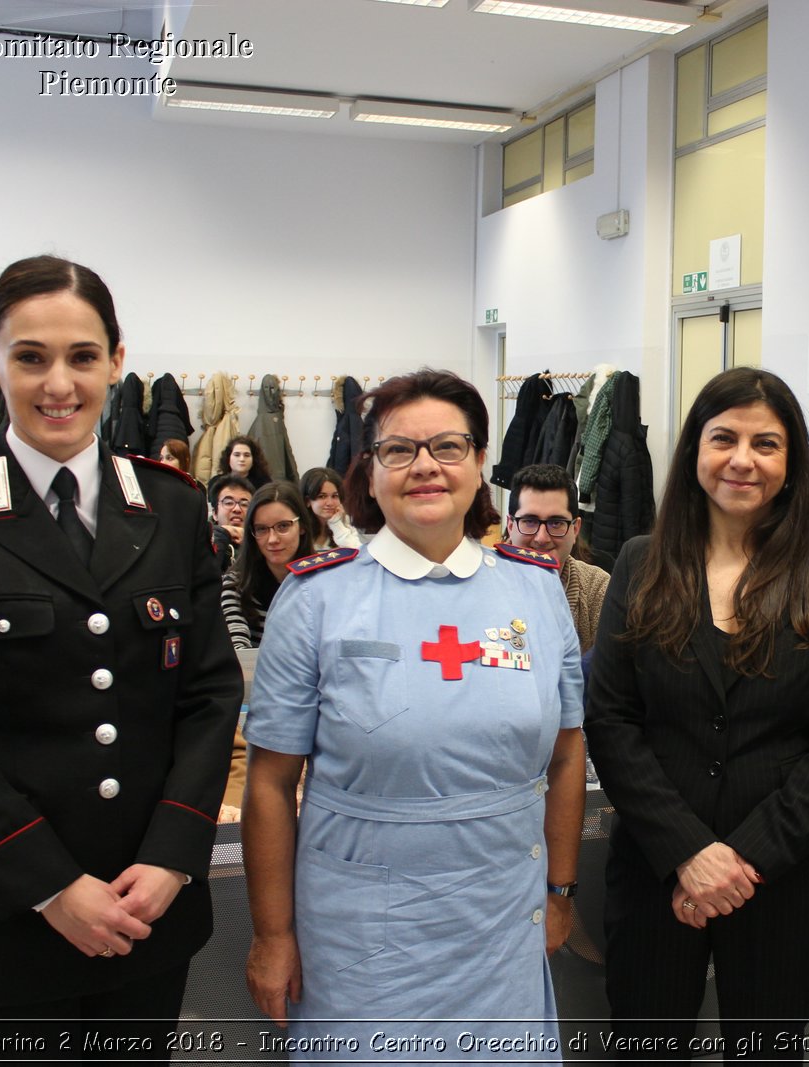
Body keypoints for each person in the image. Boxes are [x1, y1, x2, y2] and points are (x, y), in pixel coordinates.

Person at [0, 255, 243, 1064]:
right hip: (2, 915)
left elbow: (210, 692)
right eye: (29, 356)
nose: (58, 384)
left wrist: (174, 854)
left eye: (81, 356)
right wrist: (47, 883)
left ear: (115, 360)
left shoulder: (172, 506)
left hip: (148, 907)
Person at [242, 369, 584, 1060]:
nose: (426, 464)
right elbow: (270, 783)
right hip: (362, 936)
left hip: (501, 920)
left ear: (481, 464)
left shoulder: (536, 591)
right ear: (369, 474)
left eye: (449, 446)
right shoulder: (315, 600)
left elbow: (568, 750)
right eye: (399, 449)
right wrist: (273, 933)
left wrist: (560, 888)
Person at [584, 367, 809, 1060]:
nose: (742, 459)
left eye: (766, 443)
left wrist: (741, 861)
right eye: (724, 438)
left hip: (779, 880)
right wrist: (688, 853)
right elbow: (613, 719)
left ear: (791, 462)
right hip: (658, 871)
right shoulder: (638, 563)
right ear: (694, 451)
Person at [504, 462, 609, 655]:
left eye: (556, 523)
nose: (542, 538)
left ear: (575, 529)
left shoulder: (598, 588)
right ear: (510, 525)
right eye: (529, 521)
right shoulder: (483, 583)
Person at [221, 481, 318, 650]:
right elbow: (238, 650)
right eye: (262, 529)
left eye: (283, 526)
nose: (273, 539)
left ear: (302, 526)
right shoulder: (236, 583)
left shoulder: (325, 578)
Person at [298, 466, 362, 552]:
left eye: (335, 496)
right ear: (307, 501)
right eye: (322, 496)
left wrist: (336, 524)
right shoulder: (298, 528)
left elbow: (358, 552)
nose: (330, 503)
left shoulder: (344, 521)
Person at [207, 473, 254, 575]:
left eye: (244, 504)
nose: (237, 509)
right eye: (228, 503)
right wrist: (221, 534)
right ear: (215, 513)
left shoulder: (260, 543)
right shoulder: (202, 540)